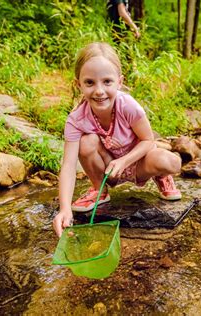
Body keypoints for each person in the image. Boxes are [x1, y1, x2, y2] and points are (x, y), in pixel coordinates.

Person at [53, 42, 181, 237]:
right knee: (86, 142)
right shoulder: (75, 120)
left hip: (138, 162)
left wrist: (124, 161)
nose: (99, 91)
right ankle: (99, 189)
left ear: (119, 82)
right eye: (89, 82)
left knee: (170, 161)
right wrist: (64, 209)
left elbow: (147, 140)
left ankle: (161, 176)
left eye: (107, 82)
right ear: (78, 84)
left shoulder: (128, 106)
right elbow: (68, 165)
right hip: (108, 169)